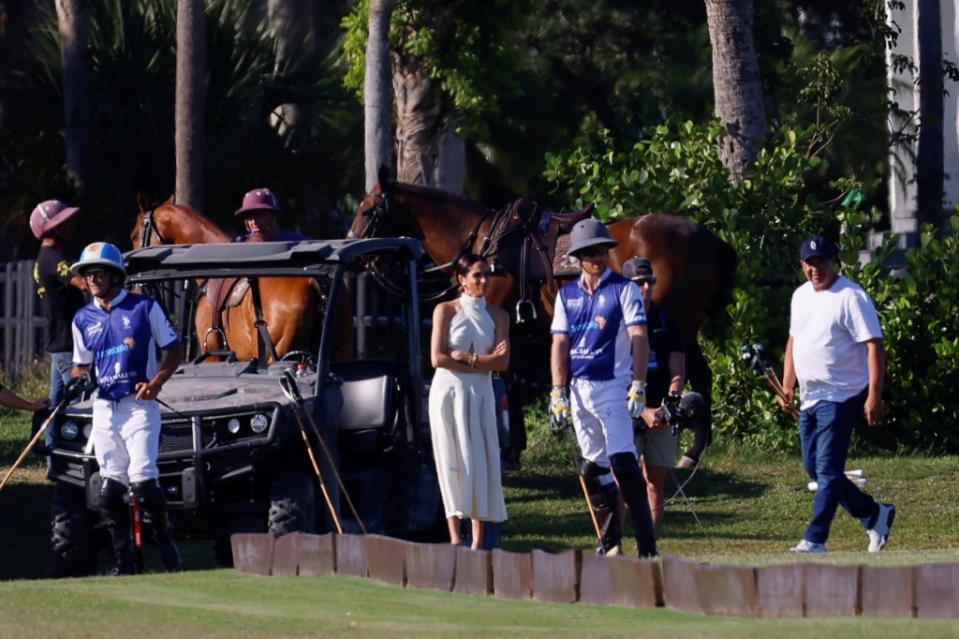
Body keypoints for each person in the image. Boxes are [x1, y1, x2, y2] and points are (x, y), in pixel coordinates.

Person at [69, 242, 184, 574]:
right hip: (105, 408)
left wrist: (156, 383)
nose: (91, 279)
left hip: (139, 406)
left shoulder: (144, 307)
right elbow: (81, 366)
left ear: (116, 275)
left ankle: (168, 551)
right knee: (109, 491)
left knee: (144, 484)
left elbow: (174, 350)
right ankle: (127, 565)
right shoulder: (82, 318)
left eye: (98, 273)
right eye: (87, 274)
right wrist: (78, 379)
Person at [549, 219, 658, 558]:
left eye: (600, 250)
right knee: (593, 469)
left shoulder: (624, 289)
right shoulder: (566, 295)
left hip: (613, 385)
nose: (596, 257)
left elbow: (639, 337)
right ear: (578, 257)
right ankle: (611, 543)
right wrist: (558, 391)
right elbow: (559, 344)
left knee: (623, 464)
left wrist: (638, 384)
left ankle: (647, 548)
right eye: (588, 252)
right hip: (579, 389)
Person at [780, 235, 895, 553]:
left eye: (821, 262)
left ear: (834, 262)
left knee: (828, 469)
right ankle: (874, 513)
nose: (815, 269)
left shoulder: (852, 296)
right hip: (810, 396)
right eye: (809, 263)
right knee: (813, 467)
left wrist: (874, 395)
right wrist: (787, 384)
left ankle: (815, 538)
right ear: (802, 265)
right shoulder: (800, 296)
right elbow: (793, 342)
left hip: (843, 395)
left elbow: (874, 345)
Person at [428, 254, 509, 549]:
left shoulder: (499, 315)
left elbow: (503, 361)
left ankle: (477, 540)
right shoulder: (445, 310)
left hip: (481, 391)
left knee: (481, 458)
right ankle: (453, 536)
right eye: (476, 275)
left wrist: (467, 357)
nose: (483, 281)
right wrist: (483, 362)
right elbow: (438, 358)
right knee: (451, 459)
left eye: (486, 274)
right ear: (462, 279)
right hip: (448, 392)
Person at [622, 256, 687, 535]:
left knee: (654, 482)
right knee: (625, 480)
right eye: (638, 283)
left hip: (660, 410)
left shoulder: (668, 320)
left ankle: (649, 544)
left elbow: (678, 372)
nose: (645, 288)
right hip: (624, 408)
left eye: (649, 282)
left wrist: (667, 405)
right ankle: (616, 542)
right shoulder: (616, 323)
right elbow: (610, 374)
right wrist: (642, 411)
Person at [30, 200, 87, 406]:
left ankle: (51, 440)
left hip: (58, 342)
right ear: (53, 229)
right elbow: (82, 284)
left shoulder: (42, 258)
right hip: (67, 343)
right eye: (65, 223)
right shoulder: (54, 257)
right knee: (82, 400)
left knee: (56, 405)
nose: (71, 227)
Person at [233, 188, 308, 242]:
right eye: (249, 217)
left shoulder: (297, 241)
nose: (254, 222)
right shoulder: (240, 242)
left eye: (260, 215)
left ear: (274, 215)